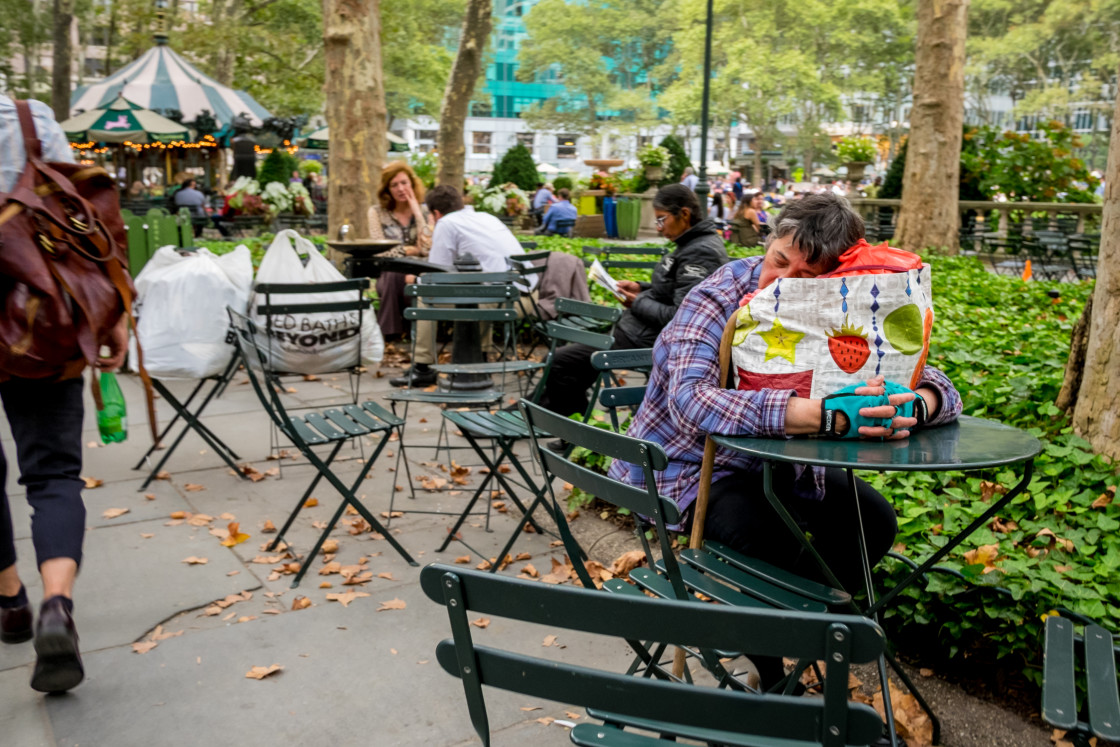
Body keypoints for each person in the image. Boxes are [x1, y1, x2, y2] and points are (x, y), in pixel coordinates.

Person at [606, 193, 962, 688]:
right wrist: (822, 415)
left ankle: (796, 639)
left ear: (836, 274)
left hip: (782, 468)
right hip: (686, 470)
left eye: (808, 277)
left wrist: (915, 404)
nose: (783, 282)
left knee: (873, 523)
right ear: (767, 241)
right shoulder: (717, 295)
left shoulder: (845, 298)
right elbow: (693, 399)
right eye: (778, 261)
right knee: (767, 542)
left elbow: (929, 377)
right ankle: (776, 680)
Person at [0, 94, 128, 693]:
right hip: (41, 320)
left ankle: (11, 601)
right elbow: (82, 212)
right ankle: (57, 605)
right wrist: (112, 315)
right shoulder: (26, 117)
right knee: (53, 474)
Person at [540, 184, 728, 433]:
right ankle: (573, 431)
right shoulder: (690, 243)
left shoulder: (701, 251)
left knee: (561, 362)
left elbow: (681, 315)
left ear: (684, 214)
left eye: (662, 220)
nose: (659, 229)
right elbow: (675, 289)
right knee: (568, 364)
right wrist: (641, 288)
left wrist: (636, 301)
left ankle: (575, 433)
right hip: (635, 330)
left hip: (647, 339)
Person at [390, 185, 535, 387]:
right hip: (529, 299)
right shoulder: (486, 217)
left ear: (436, 213)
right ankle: (479, 362)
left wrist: (415, 281)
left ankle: (423, 367)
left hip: (505, 302)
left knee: (425, 296)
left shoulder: (446, 224)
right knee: (477, 293)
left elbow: (436, 278)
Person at [366, 161, 434, 340]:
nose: (400, 189)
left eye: (404, 183)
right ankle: (391, 334)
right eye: (394, 185)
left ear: (412, 184)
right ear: (387, 189)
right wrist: (410, 251)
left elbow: (428, 249)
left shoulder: (426, 211)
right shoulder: (377, 212)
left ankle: (387, 333)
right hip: (388, 274)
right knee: (392, 272)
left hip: (419, 273)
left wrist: (417, 213)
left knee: (404, 275)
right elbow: (380, 251)